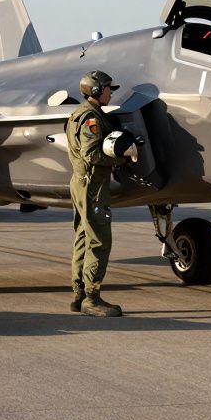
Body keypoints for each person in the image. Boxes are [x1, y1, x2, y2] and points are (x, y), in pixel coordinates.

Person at [66, 69, 134, 317]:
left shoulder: (81, 114)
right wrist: (121, 159)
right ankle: (92, 298)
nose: (110, 92)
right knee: (99, 240)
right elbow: (91, 154)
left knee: (84, 238)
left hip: (83, 183)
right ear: (96, 90)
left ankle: (79, 295)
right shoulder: (91, 119)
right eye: (107, 88)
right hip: (92, 187)